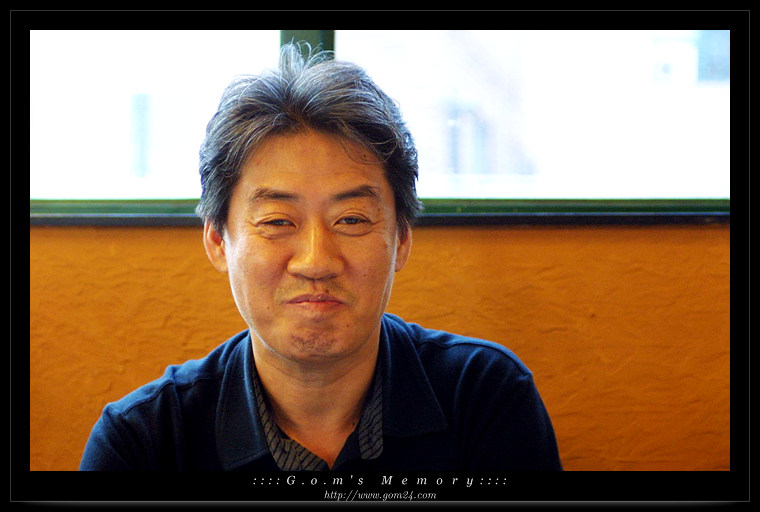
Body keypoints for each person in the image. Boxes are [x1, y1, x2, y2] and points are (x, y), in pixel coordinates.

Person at [79, 43, 562, 472]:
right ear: (217, 241)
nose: (315, 261)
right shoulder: (143, 441)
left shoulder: (485, 396)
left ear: (401, 239)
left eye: (350, 220)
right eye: (277, 221)